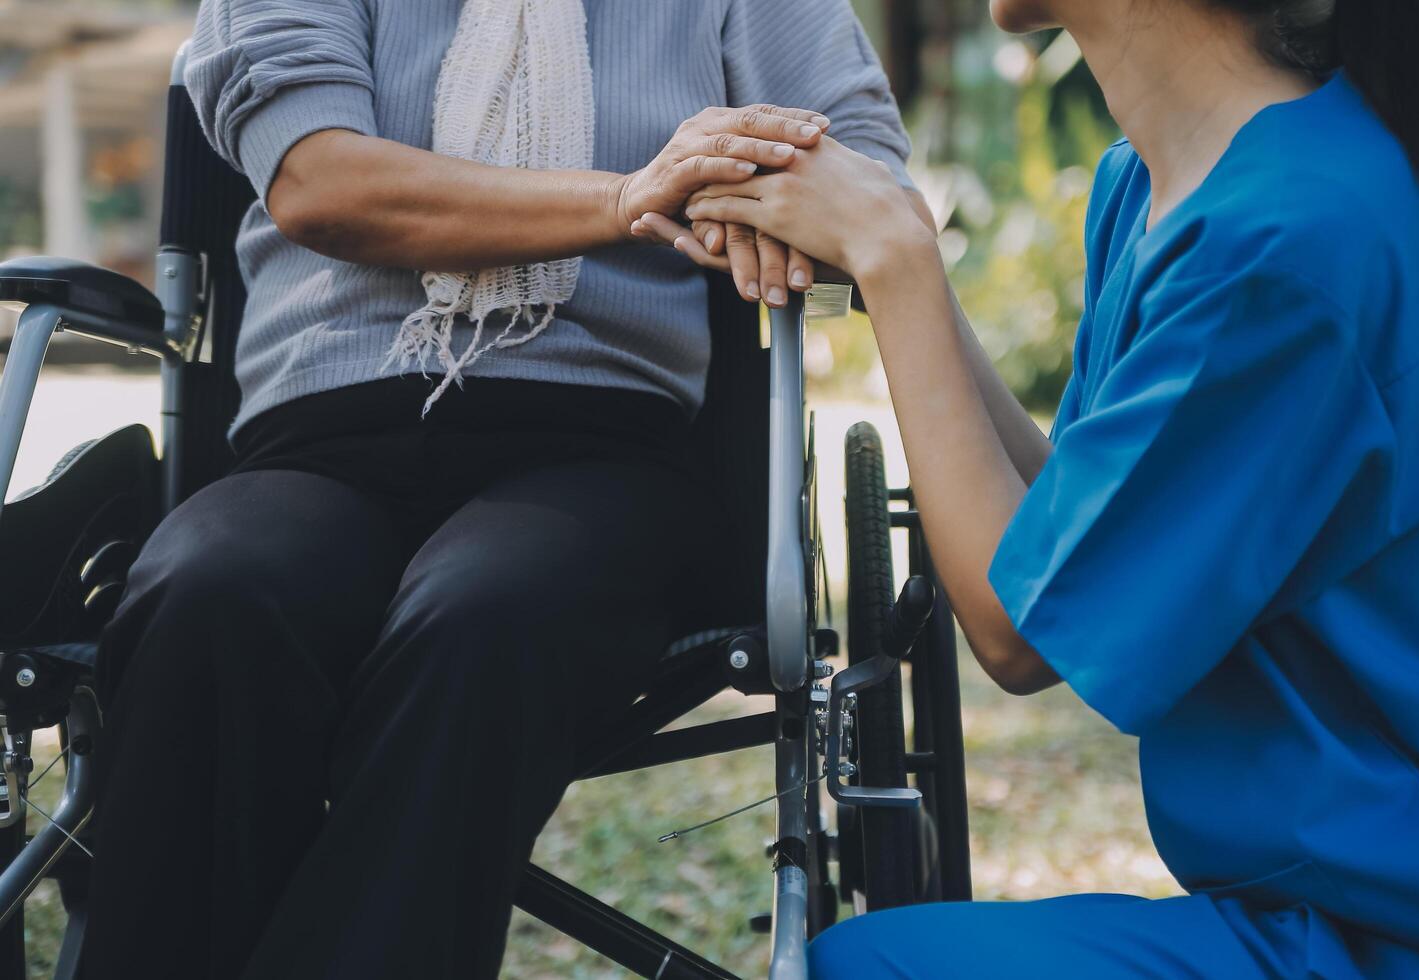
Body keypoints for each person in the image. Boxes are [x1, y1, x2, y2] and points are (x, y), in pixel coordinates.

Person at [79, 1, 913, 978]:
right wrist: (631, 197)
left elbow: (872, 184)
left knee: (490, 607)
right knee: (212, 588)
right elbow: (316, 182)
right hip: (318, 438)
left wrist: (769, 187)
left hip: (608, 449)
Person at [639, 0, 1419, 975]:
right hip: (1326, 899)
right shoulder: (1155, 186)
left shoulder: (1288, 243)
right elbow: (1063, 533)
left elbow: (1017, 630)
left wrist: (899, 265)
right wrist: (895, 248)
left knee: (872, 967)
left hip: (1398, 927)